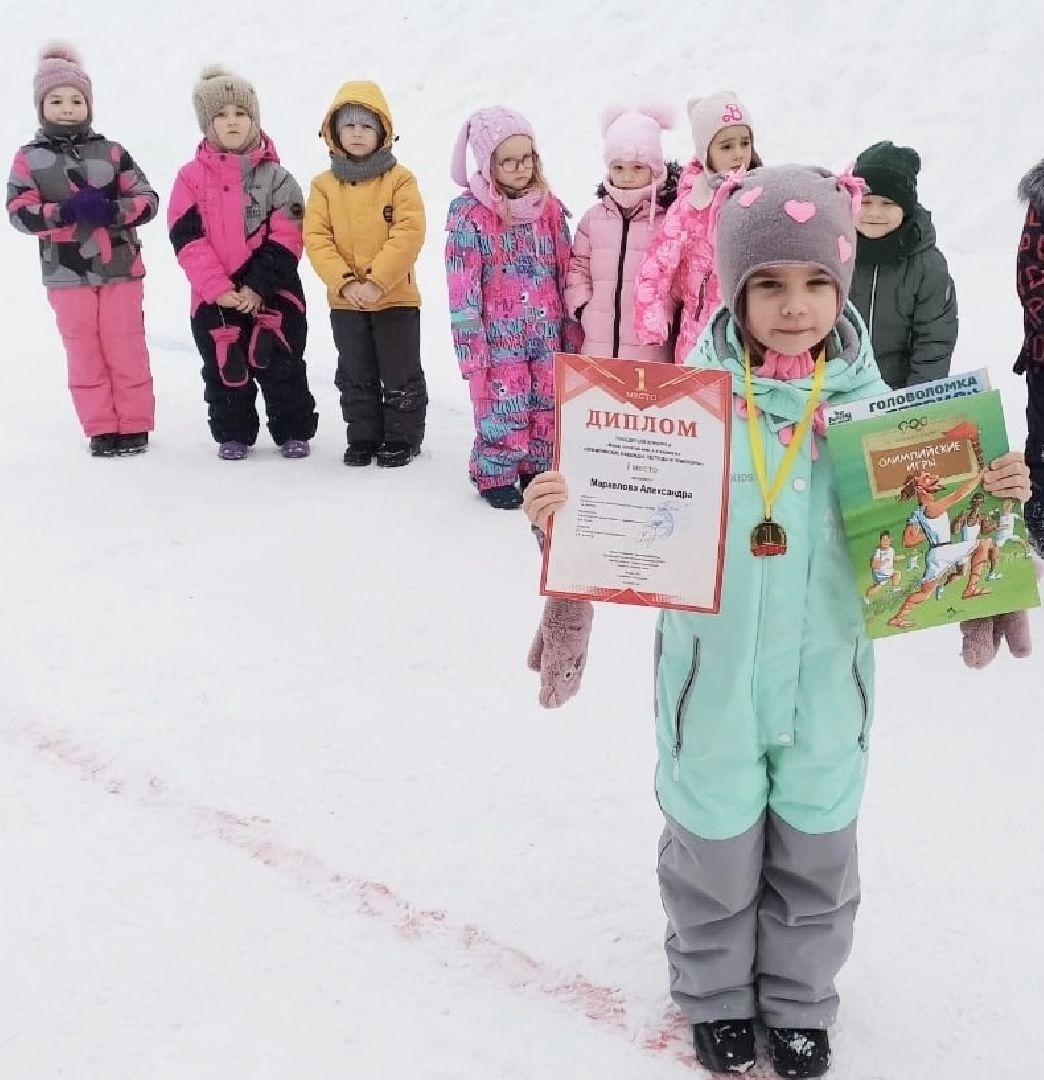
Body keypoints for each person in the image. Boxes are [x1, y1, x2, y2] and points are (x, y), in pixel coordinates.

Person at [522, 164, 1032, 1077]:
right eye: (768, 285)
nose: (793, 307)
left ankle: (799, 1000)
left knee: (817, 853)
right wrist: (566, 507)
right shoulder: (681, 417)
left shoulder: (883, 423)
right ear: (734, 290)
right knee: (711, 851)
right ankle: (715, 993)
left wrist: (989, 493)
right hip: (709, 684)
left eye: (813, 285)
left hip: (827, 685)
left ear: (840, 287)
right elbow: (625, 523)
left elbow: (934, 534)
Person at [6, 43, 158, 456]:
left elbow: (148, 199)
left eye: (76, 100)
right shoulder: (28, 159)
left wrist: (113, 210)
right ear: (41, 107)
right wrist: (65, 211)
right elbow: (19, 213)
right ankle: (101, 426)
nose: (67, 108)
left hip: (120, 267)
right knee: (84, 348)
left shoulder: (111, 152)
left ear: (88, 105)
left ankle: (135, 423)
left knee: (125, 344)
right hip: (66, 273)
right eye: (56, 100)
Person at [169, 66, 317, 460]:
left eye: (241, 112)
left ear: (255, 119)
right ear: (207, 123)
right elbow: (186, 238)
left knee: (282, 362)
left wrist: (256, 287)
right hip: (213, 298)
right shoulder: (189, 179)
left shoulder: (278, 177)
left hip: (274, 292)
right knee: (225, 367)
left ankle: (293, 430)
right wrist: (220, 289)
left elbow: (288, 235)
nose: (232, 121)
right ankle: (233, 432)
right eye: (221, 114)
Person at [445, 107, 580, 509]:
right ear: (488, 165)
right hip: (497, 337)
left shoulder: (548, 207)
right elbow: (461, 286)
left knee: (545, 400)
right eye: (509, 161)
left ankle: (535, 465)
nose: (521, 168)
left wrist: (571, 327)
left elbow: (564, 265)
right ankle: (496, 471)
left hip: (546, 329)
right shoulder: (469, 214)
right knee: (504, 404)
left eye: (528, 158)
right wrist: (471, 349)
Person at [304, 80, 426, 468]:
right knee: (356, 371)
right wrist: (346, 282)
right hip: (346, 301)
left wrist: (376, 281)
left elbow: (409, 232)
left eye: (367, 126)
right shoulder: (323, 186)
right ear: (335, 132)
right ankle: (362, 435)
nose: (358, 134)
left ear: (382, 132)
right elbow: (316, 238)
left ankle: (403, 438)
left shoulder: (400, 180)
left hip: (395, 298)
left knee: (400, 371)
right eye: (349, 126)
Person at [633, 91, 759, 363]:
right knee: (697, 404)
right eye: (726, 146)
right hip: (699, 334)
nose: (739, 153)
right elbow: (656, 266)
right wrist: (651, 319)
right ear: (706, 152)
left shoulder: (762, 197)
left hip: (752, 335)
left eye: (745, 143)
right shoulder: (691, 205)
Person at [564, 106, 679, 361]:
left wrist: (665, 311)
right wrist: (583, 307)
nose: (627, 177)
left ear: (655, 169)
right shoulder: (594, 219)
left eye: (638, 167)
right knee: (600, 401)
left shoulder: (669, 219)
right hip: (598, 344)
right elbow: (577, 266)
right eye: (618, 168)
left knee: (645, 400)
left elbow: (677, 274)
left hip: (649, 348)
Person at [850, 141, 958, 389]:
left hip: (901, 389)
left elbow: (934, 339)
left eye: (888, 204)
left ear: (906, 208)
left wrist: (917, 396)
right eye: (865, 202)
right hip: (838, 391)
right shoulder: (837, 253)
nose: (874, 213)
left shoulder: (928, 266)